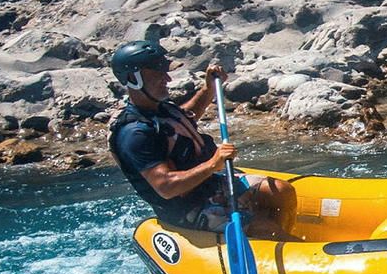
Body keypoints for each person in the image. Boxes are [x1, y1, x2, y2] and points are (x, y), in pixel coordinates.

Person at [107, 39, 293, 238]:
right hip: (186, 208)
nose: (167, 79)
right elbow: (166, 187)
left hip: (208, 185)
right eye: (158, 74)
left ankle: (272, 238)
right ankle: (267, 236)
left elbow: (184, 119)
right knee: (264, 229)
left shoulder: (159, 108)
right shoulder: (134, 134)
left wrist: (208, 89)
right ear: (132, 78)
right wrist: (213, 164)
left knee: (281, 191)